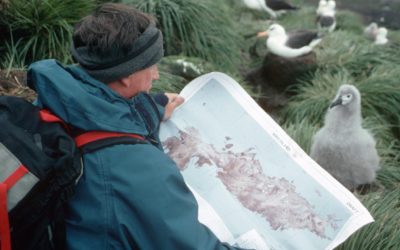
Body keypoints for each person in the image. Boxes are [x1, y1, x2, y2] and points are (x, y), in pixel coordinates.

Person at [27, 3, 247, 250]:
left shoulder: (55, 100)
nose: (156, 76)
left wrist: (152, 107)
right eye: (151, 65)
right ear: (126, 75)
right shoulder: (137, 169)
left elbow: (98, 114)